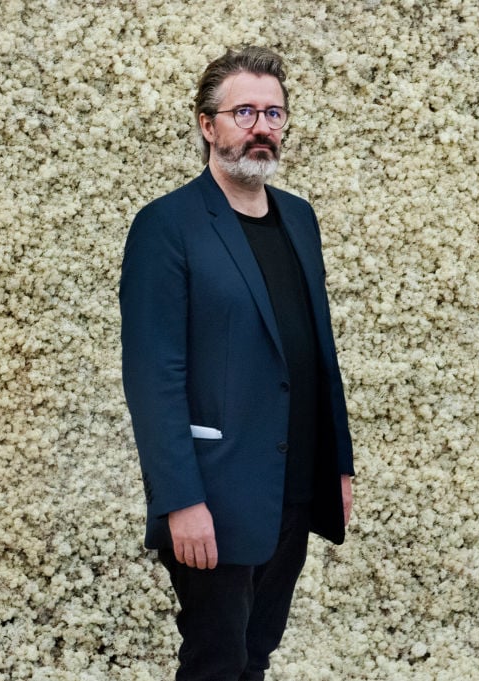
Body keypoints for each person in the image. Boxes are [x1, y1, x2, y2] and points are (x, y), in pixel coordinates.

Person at [119, 45, 354, 680]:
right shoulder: (166, 226)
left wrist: (339, 465)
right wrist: (179, 500)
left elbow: (315, 351)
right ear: (207, 124)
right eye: (243, 111)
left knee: (256, 655)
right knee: (215, 662)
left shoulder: (298, 220)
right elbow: (153, 376)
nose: (261, 127)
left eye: (273, 114)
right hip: (214, 495)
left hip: (294, 489)